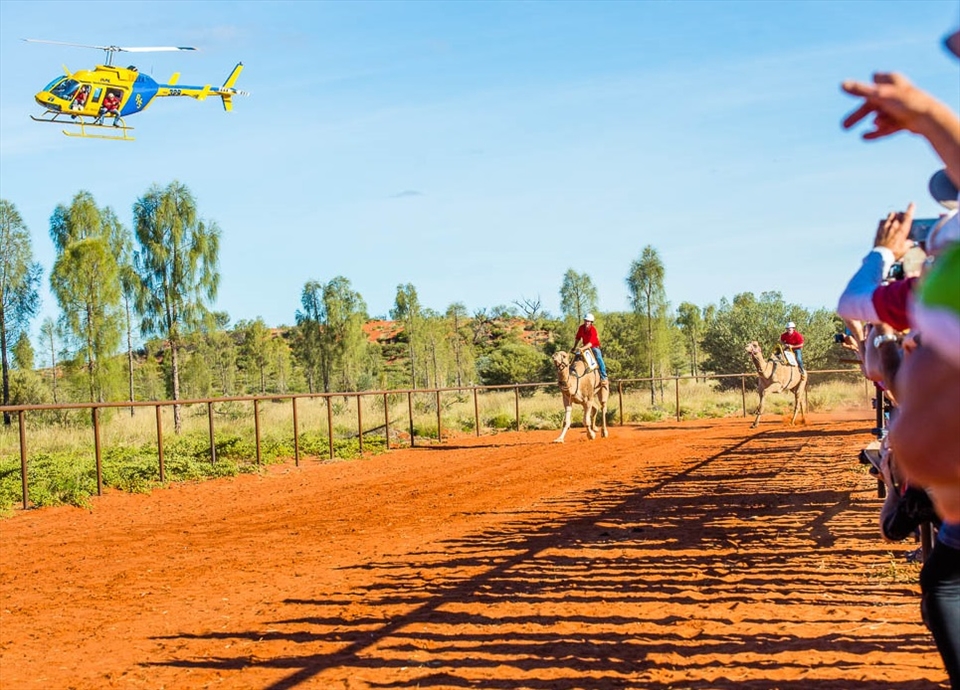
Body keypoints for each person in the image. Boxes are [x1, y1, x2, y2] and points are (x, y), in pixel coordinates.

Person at [844, 26, 960, 689]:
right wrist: (929, 118)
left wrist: (884, 254)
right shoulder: (933, 276)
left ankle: (899, 484)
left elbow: (854, 300)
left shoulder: (933, 279)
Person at [572, 313, 607, 383]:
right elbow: (578, 338)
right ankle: (572, 370)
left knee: (599, 358)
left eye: (588, 321)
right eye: (586, 320)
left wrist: (582, 348)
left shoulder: (593, 330)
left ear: (591, 322)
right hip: (585, 347)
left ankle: (603, 376)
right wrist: (574, 347)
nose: (587, 322)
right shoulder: (581, 328)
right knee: (577, 355)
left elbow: (590, 343)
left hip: (594, 347)